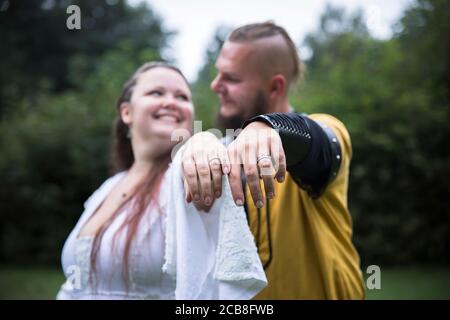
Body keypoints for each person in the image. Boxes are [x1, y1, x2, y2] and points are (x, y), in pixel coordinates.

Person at [182, 22, 365, 299]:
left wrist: (268, 126)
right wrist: (197, 142)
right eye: (218, 73)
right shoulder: (224, 151)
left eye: (230, 78)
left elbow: (318, 143)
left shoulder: (325, 127)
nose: (215, 85)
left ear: (274, 87)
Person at [56, 61, 266, 300]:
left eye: (182, 97)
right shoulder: (107, 188)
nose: (171, 102)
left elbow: (233, 155)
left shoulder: (189, 174)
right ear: (126, 112)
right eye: (156, 92)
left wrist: (205, 141)